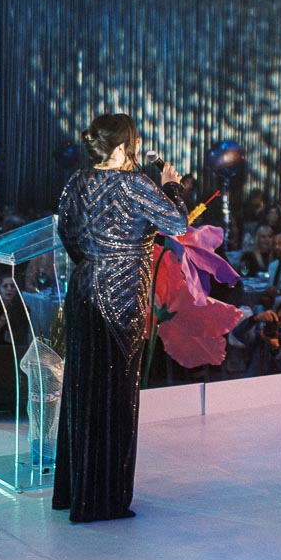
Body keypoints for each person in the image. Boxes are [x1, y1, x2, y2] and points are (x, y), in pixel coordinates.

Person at [53, 112, 188, 523]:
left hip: (84, 288)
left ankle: (77, 493)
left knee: (83, 390)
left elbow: (66, 232)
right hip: (122, 295)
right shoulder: (135, 184)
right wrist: (172, 186)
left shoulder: (77, 181)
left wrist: (94, 261)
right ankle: (103, 501)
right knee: (115, 394)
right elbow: (178, 224)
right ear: (124, 145)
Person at [229, 301, 281, 376]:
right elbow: (238, 333)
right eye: (280, 319)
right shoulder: (263, 338)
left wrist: (276, 349)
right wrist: (254, 319)